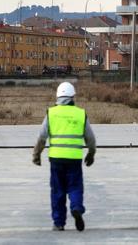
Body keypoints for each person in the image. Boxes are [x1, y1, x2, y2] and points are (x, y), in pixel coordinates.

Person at [32, 82, 97, 232]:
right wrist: (91, 153)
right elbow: (91, 138)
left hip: (56, 160)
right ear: (73, 97)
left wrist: (36, 154)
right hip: (74, 159)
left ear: (57, 97)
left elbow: (42, 137)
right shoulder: (80, 113)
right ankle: (76, 208)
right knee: (75, 187)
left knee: (57, 191)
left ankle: (59, 223)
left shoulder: (51, 113)